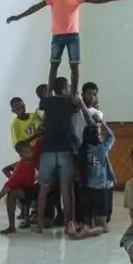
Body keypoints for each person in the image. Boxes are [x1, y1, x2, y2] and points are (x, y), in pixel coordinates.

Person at [6, 0, 128, 89]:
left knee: (74, 66)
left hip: (73, 36)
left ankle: (74, 92)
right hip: (58, 37)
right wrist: (18, 17)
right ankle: (49, 92)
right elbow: (36, 7)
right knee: (54, 65)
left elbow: (95, 0)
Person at [35, 76, 93, 237]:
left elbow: (43, 122)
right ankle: (69, 223)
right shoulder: (70, 101)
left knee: (44, 187)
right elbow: (87, 118)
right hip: (65, 148)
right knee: (66, 189)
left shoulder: (47, 101)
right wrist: (78, 99)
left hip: (47, 148)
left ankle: (39, 223)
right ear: (67, 88)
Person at [0, 141, 41, 234]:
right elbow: (8, 186)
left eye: (30, 151)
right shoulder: (20, 168)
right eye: (26, 152)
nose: (30, 153)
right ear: (21, 155)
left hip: (40, 187)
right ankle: (12, 226)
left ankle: (27, 219)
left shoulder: (35, 158)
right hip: (31, 189)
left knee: (14, 192)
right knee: (11, 194)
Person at [79, 119, 116, 235]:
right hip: (101, 186)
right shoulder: (101, 149)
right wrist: (104, 125)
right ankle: (90, 231)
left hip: (88, 185)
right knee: (104, 225)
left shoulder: (82, 150)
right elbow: (111, 137)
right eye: (99, 134)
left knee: (91, 213)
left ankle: (90, 226)